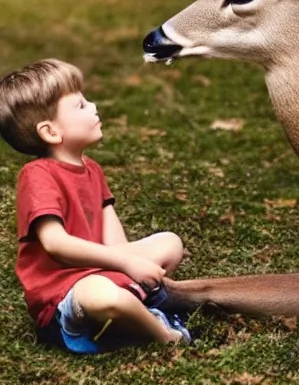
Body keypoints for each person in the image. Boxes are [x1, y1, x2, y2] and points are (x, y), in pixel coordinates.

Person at [0, 58, 191, 353]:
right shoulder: (37, 175)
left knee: (169, 243)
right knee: (104, 295)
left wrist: (130, 260)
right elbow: (55, 244)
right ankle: (163, 333)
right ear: (50, 132)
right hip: (64, 289)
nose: (93, 106)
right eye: (80, 105)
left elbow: (115, 242)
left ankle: (128, 305)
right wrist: (126, 263)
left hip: (100, 268)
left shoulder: (92, 169)